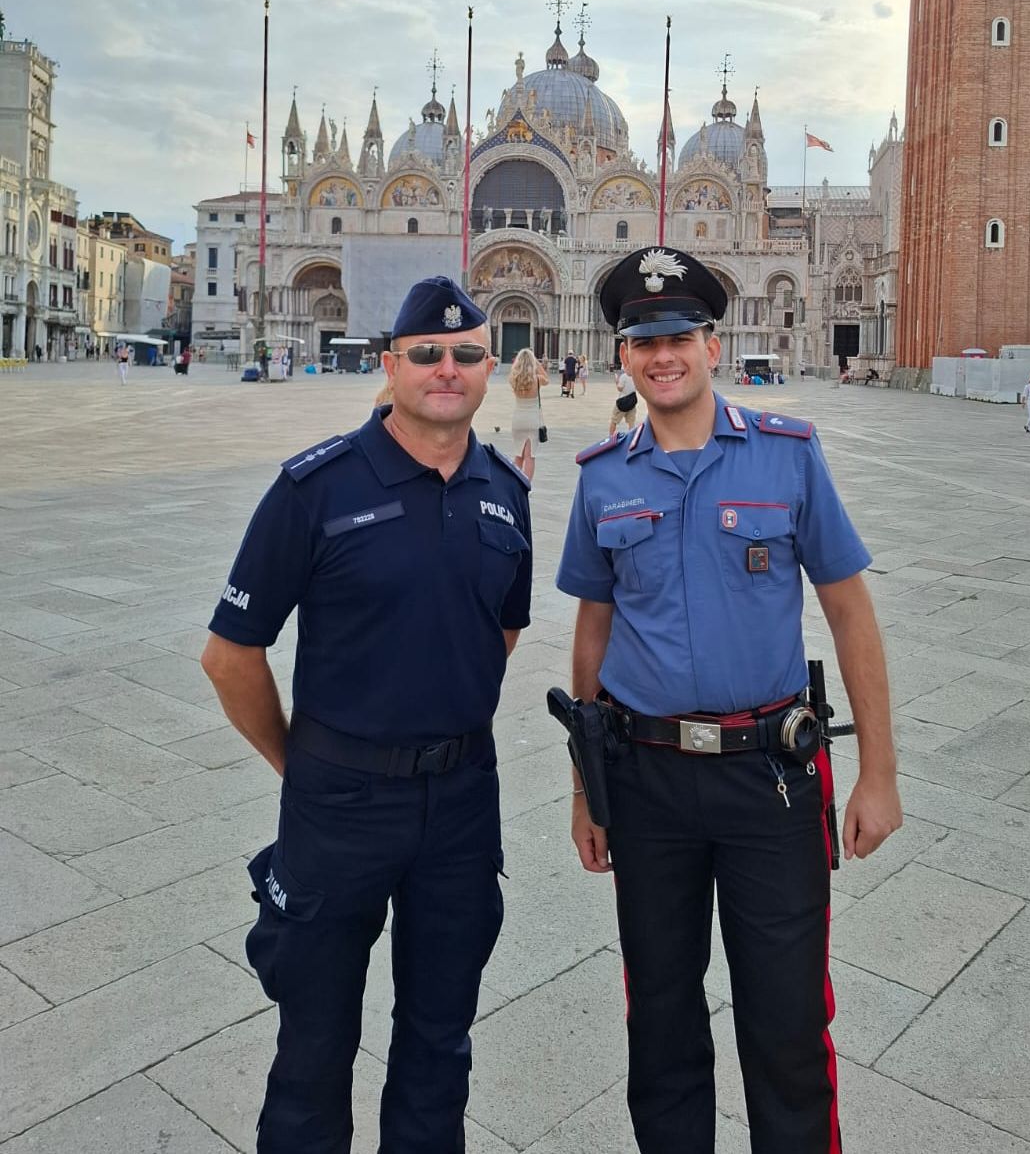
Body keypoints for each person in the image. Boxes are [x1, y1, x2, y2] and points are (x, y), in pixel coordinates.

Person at [555, 246, 902, 1154]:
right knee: (661, 1023)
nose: (660, 354)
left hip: (773, 783)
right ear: (622, 355)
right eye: (640, 339)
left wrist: (879, 773)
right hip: (647, 781)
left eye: (676, 336)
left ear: (712, 344)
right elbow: (591, 637)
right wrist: (586, 789)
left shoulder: (787, 455)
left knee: (787, 1025)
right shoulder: (601, 477)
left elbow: (850, 611)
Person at [199, 276, 533, 1154]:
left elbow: (500, 627)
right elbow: (230, 654)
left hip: (462, 805)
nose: (446, 369)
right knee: (312, 1050)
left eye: (465, 354)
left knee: (439, 1047)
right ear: (390, 365)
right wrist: (301, 760)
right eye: (426, 354)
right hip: (338, 803)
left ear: (488, 367)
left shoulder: (506, 490)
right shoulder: (315, 487)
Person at [508, 346, 548, 481]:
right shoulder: (537, 379)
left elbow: (514, 370)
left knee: (518, 455)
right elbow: (547, 379)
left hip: (518, 419)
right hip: (532, 419)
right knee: (529, 457)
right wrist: (536, 363)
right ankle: (526, 486)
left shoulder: (514, 379)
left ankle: (515, 486)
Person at [608, 364, 638, 436]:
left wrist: (616, 381)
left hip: (622, 401)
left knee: (614, 420)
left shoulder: (624, 377)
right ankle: (631, 438)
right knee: (631, 422)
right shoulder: (636, 377)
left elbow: (620, 388)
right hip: (632, 402)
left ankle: (610, 437)